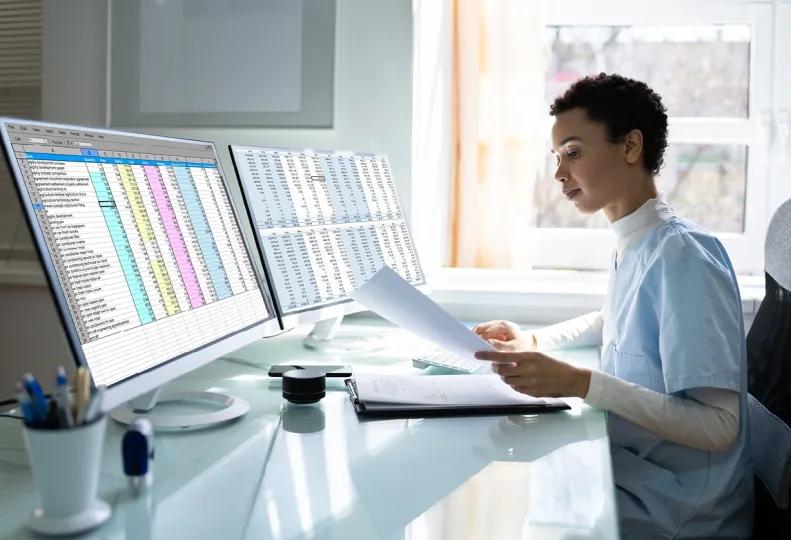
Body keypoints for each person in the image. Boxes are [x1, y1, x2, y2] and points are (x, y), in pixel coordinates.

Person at [473, 73, 753, 538]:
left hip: (682, 508)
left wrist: (582, 383)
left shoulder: (684, 258)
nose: (560, 173)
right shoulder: (636, 241)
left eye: (574, 152)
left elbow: (720, 425)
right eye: (557, 157)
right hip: (643, 474)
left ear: (630, 147)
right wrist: (536, 339)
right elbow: (615, 321)